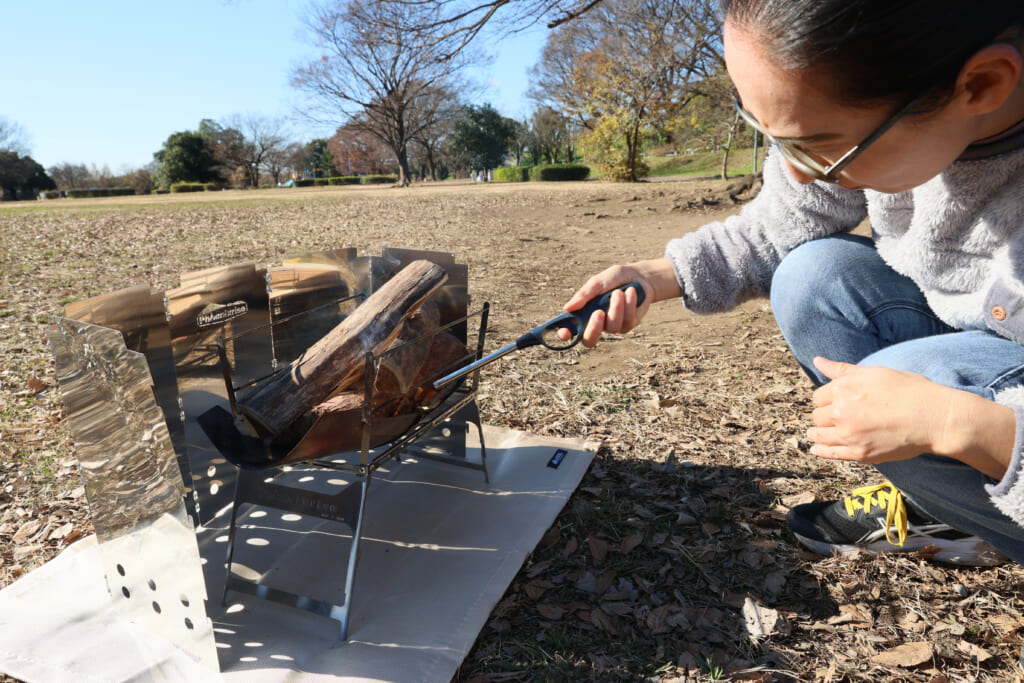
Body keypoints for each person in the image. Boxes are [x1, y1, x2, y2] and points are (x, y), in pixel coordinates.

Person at [563, 0, 1024, 566]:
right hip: (985, 338)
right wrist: (654, 278)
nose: (798, 170)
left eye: (819, 144)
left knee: (907, 384)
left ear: (982, 85)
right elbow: (782, 224)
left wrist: (959, 424)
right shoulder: (887, 110)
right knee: (813, 277)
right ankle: (953, 507)